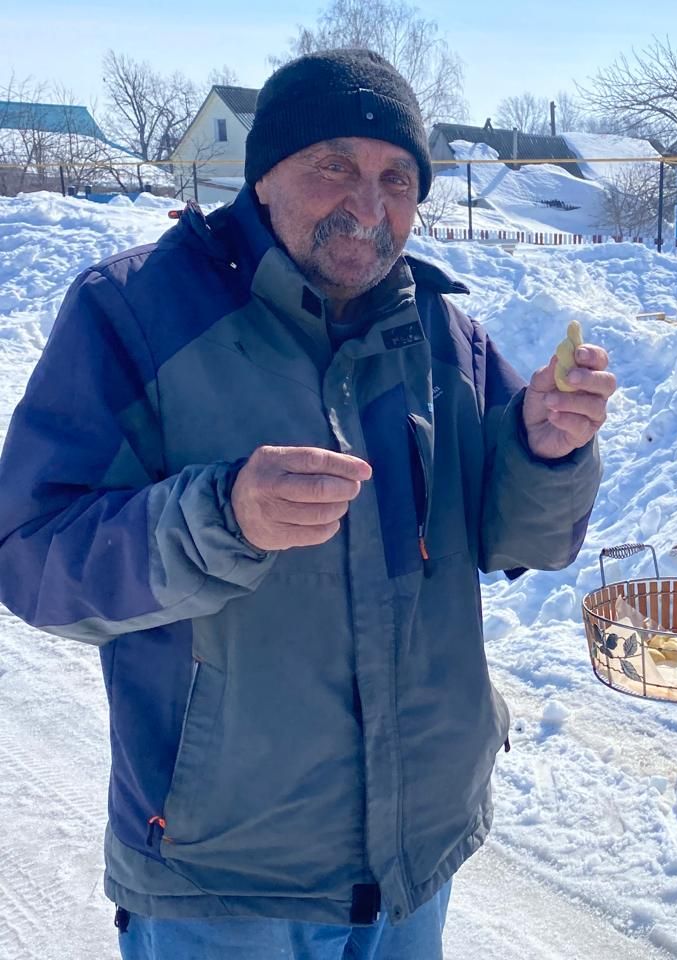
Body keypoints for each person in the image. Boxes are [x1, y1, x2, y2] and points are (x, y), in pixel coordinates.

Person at [0, 49, 612, 960]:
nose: (370, 205)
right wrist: (219, 519)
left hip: (415, 861)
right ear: (266, 172)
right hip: (225, 880)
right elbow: (34, 557)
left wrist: (546, 449)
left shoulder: (441, 334)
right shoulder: (135, 313)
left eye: (397, 178)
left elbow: (516, 539)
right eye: (336, 164)